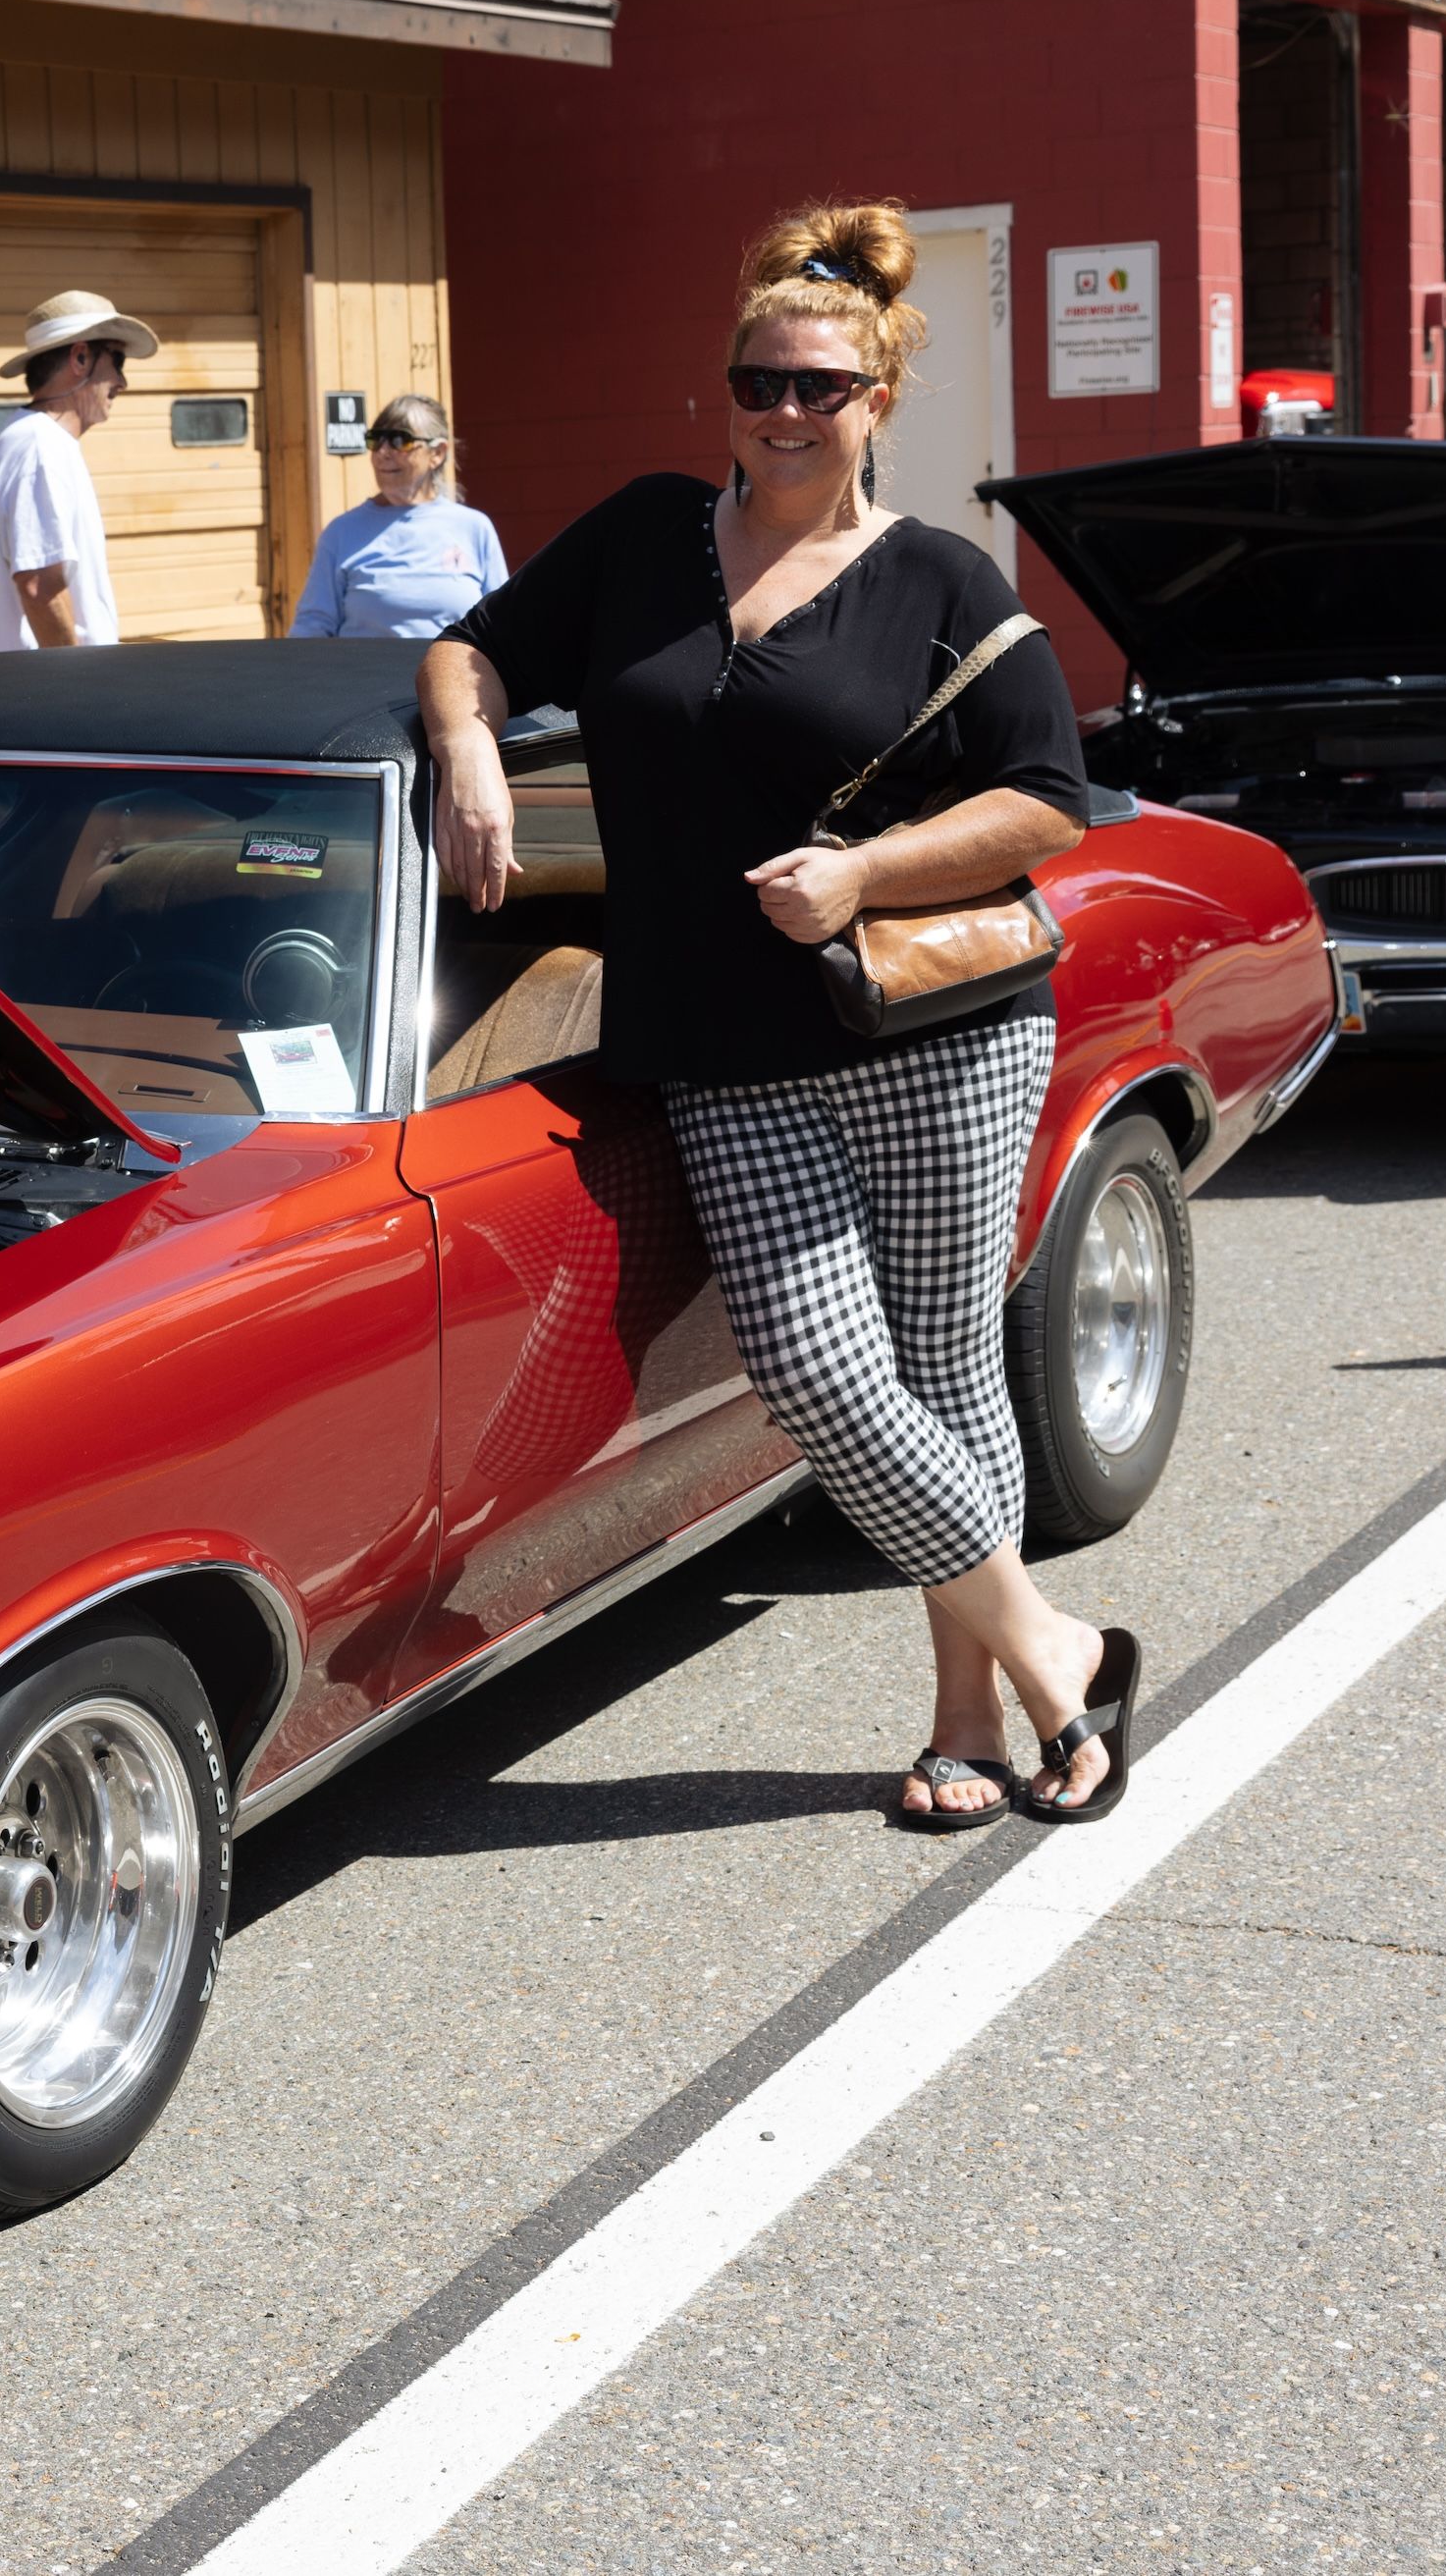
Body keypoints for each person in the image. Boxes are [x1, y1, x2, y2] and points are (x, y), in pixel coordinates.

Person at [416, 198, 1140, 1833]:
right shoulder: (641, 541)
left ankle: (968, 1722)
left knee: (945, 1375)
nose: (785, 411)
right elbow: (470, 652)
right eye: (760, 380)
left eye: (821, 386)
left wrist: (866, 870)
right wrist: (466, 749)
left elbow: (1048, 803)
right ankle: (1058, 1646)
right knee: (823, 1375)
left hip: (932, 1041)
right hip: (723, 1050)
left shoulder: (944, 580)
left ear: (880, 402)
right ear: (724, 390)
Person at [0, 291, 152, 654]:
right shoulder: (41, 448)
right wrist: (77, 690)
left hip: (14, 696)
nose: (122, 382)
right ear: (80, 357)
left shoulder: (25, 440)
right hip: (36, 702)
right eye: (118, 360)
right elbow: (39, 586)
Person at [289, 394, 509, 640]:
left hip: (451, 678)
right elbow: (312, 626)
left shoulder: (474, 528)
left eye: (399, 440)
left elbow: (502, 623)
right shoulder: (341, 532)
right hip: (365, 677)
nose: (382, 452)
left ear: (437, 453)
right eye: (375, 440)